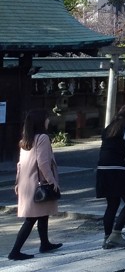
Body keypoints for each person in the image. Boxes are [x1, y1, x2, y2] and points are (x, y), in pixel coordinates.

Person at [8, 109, 62, 260]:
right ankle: (15, 251)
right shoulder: (43, 138)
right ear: (41, 121)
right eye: (46, 118)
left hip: (26, 183)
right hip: (38, 183)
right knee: (31, 218)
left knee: (42, 214)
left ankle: (45, 243)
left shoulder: (26, 140)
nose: (48, 121)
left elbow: (20, 164)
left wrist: (17, 182)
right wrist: (52, 181)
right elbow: (43, 163)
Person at [96, 105, 125, 249]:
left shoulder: (109, 128)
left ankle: (107, 237)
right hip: (118, 169)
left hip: (103, 169)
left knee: (112, 204)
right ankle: (116, 234)